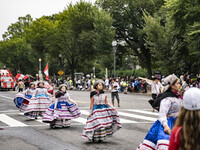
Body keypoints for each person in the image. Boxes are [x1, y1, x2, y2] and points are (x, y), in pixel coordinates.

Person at [137, 74, 182, 150]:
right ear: (172, 86)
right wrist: (165, 126)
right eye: (177, 83)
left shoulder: (178, 97)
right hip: (168, 124)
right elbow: (162, 114)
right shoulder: (167, 99)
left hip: (178, 124)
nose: (179, 85)